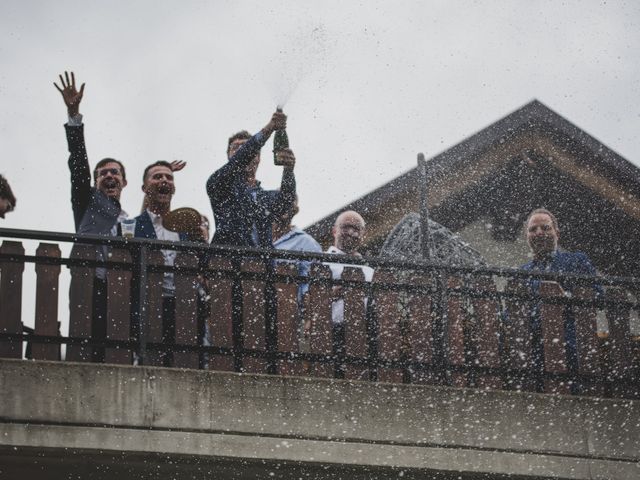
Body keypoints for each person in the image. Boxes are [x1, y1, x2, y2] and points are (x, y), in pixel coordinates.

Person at [55, 71, 129, 362]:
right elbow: (78, 167)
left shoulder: (129, 219)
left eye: (115, 172)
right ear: (96, 180)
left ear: (123, 181)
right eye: (103, 173)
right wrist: (74, 116)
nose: (109, 176)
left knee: (118, 350)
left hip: (121, 287)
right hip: (89, 282)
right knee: (85, 344)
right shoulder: (87, 202)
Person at [519, 208, 601, 391]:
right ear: (527, 236)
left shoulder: (576, 261)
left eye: (545, 227)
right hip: (533, 356)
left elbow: (598, 295)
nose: (539, 232)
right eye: (533, 229)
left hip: (574, 350)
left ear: (557, 233)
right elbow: (512, 314)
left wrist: (567, 299)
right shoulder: (522, 272)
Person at [206, 110, 296, 249]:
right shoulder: (218, 185)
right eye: (236, 148)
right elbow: (240, 159)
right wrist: (269, 128)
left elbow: (286, 201)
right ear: (229, 156)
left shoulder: (264, 197)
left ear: (258, 157)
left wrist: (288, 170)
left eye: (245, 146)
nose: (242, 150)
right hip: (227, 265)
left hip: (262, 268)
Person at [133, 161, 191, 366]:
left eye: (169, 177)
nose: (164, 180)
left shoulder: (186, 229)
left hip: (182, 308)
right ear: (144, 188)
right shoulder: (133, 227)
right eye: (157, 177)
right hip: (146, 307)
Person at [321, 210, 374, 378]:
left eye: (357, 229)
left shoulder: (369, 271)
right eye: (346, 227)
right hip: (331, 332)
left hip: (365, 334)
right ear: (334, 231)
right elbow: (309, 299)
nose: (351, 232)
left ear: (363, 235)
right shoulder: (321, 261)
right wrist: (335, 293)